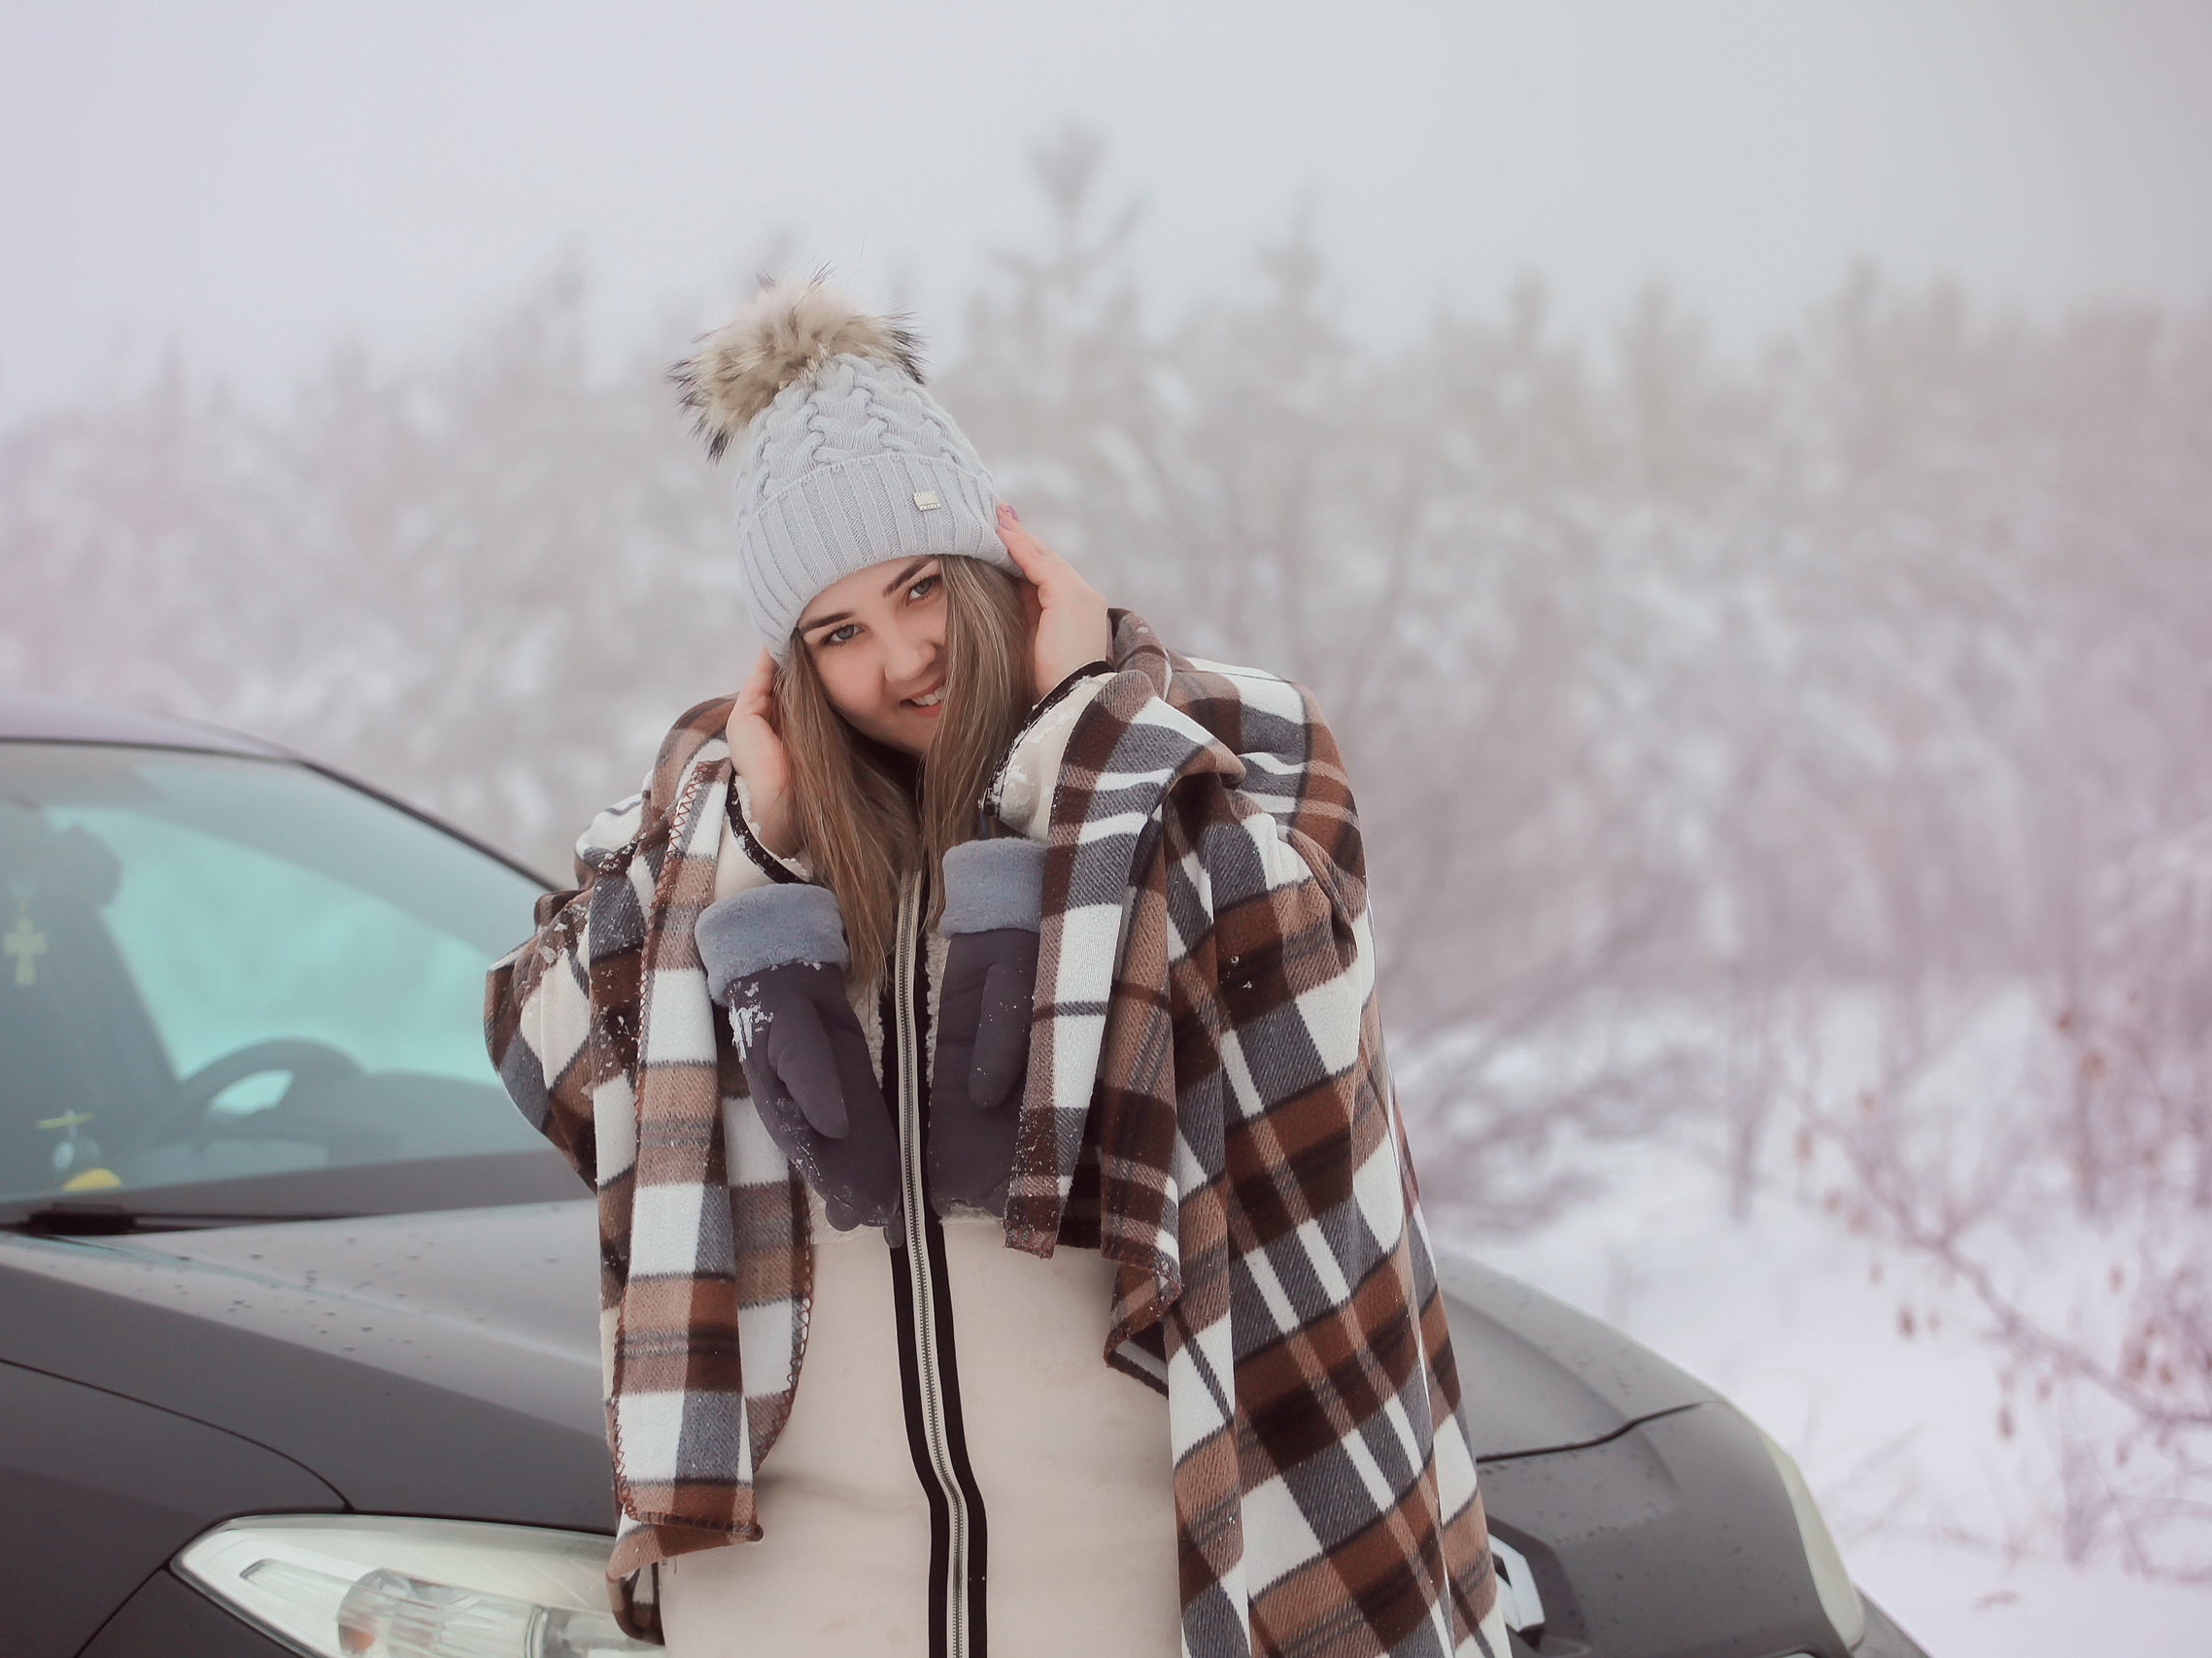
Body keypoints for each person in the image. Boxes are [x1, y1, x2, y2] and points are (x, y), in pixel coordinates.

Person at [486, 279, 1507, 1658]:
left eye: (919, 591)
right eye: (836, 632)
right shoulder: (714, 803)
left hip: (1128, 1583)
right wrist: (746, 854)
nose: (899, 660)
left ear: (992, 559)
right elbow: (546, 1061)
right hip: (800, 1600)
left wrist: (1084, 747)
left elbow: (1296, 1004)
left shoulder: (1216, 746)